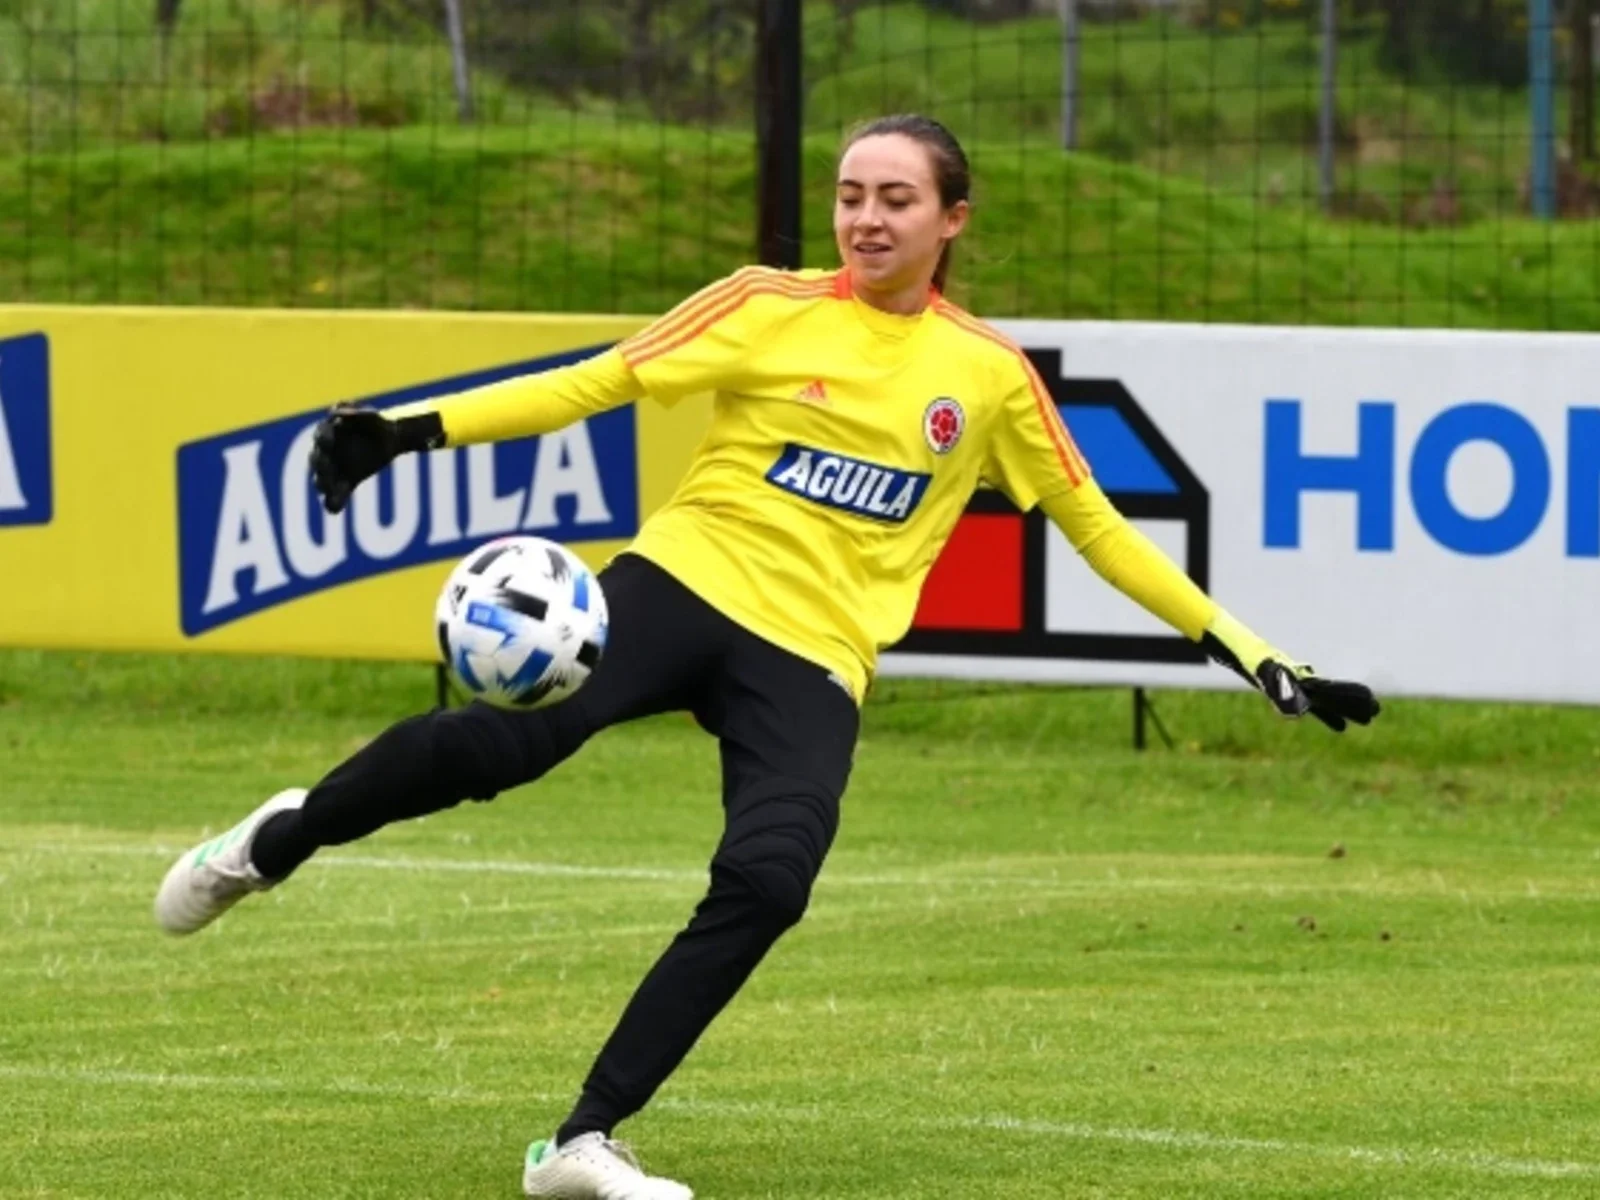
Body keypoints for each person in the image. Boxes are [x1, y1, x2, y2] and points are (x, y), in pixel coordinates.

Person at [153, 113, 1379, 1200]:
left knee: (771, 877)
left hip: (814, 658)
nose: (865, 217)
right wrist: (405, 431)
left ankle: (580, 1145)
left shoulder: (989, 377)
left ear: (952, 219)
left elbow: (1099, 530)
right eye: (850, 194)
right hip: (684, 583)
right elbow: (595, 384)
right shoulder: (763, 305)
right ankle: (275, 842)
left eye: (895, 198)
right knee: (500, 746)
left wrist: (1254, 653)